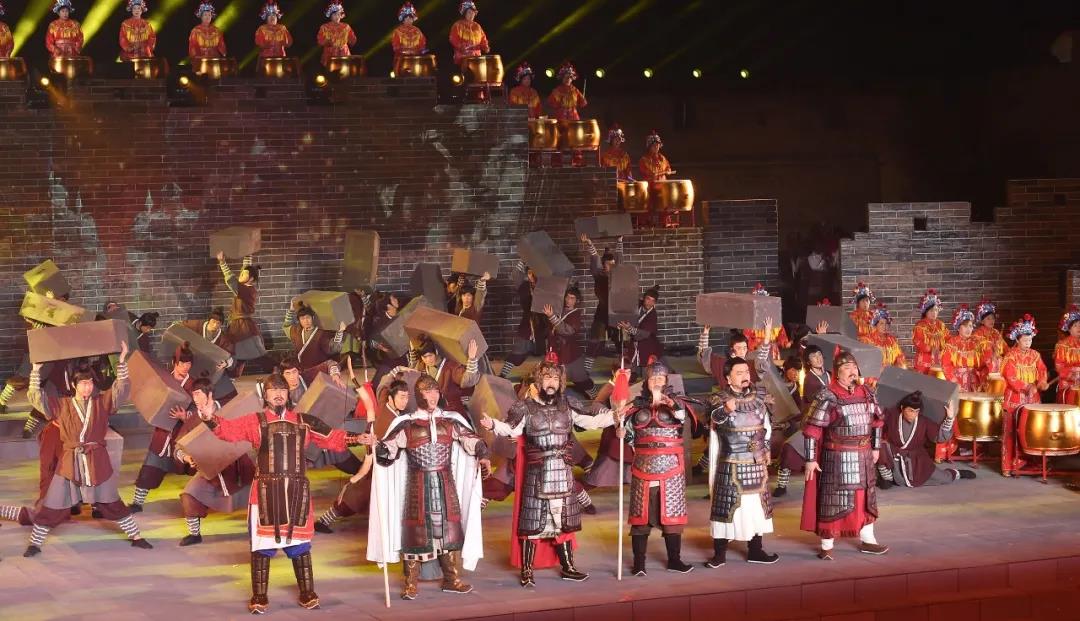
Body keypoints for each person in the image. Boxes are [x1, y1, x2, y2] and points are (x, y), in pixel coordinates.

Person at [204, 373, 363, 613]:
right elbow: (228, 430)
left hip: (296, 493)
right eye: (273, 390)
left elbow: (332, 438)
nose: (278, 394)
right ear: (265, 394)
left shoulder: (303, 421)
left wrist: (359, 438)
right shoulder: (255, 421)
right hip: (265, 494)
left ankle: (307, 593)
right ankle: (259, 596)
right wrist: (209, 418)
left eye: (282, 390)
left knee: (300, 545)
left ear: (288, 394)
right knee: (261, 547)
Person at [481, 354, 624, 587]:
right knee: (532, 521)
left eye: (555, 379)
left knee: (562, 521)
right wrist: (493, 425)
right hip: (537, 473)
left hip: (562, 471)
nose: (551, 383)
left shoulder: (567, 405)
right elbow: (511, 429)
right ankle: (527, 571)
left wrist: (614, 416)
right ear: (539, 381)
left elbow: (590, 421)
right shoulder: (525, 407)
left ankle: (568, 567)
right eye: (547, 378)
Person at [25, 341, 154, 557]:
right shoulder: (62, 405)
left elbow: (121, 390)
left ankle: (136, 537)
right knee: (52, 503)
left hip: (96, 461)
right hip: (70, 462)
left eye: (90, 383)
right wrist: (36, 371)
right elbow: (37, 398)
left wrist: (122, 361)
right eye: (84, 383)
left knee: (111, 501)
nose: (88, 387)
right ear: (74, 385)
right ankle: (34, 544)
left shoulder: (101, 403)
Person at [366, 375, 488, 599]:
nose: (433, 396)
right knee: (415, 534)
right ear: (419, 395)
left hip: (445, 484)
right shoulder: (407, 425)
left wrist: (483, 452)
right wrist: (377, 446)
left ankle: (451, 579)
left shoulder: (450, 422)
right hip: (417, 486)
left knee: (448, 532)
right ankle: (411, 583)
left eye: (435, 391)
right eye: (427, 392)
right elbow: (388, 451)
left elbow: (472, 440)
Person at [801, 348, 888, 560]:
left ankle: (868, 540)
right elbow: (813, 428)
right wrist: (810, 459)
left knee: (865, 500)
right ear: (837, 372)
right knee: (834, 500)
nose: (852, 371)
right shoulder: (827, 395)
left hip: (864, 454)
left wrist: (876, 447)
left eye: (854, 367)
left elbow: (877, 422)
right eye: (847, 367)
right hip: (837, 457)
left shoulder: (867, 393)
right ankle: (827, 545)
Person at [705, 321, 780, 568]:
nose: (745, 375)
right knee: (725, 506)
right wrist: (726, 410)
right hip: (731, 461)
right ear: (728, 378)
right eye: (739, 373)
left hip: (756, 462)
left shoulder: (760, 398)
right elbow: (713, 420)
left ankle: (755, 550)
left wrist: (765, 449)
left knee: (756, 508)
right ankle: (719, 554)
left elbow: (766, 428)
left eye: (746, 371)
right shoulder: (719, 398)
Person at [620, 359, 696, 575]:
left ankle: (674, 560)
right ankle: (639, 564)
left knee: (672, 516)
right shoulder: (636, 406)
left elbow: (683, 418)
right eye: (653, 378)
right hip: (643, 466)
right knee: (640, 517)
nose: (656, 382)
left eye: (660, 378)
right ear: (646, 381)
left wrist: (671, 404)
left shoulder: (677, 403)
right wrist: (622, 432)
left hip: (671, 467)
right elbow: (628, 433)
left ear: (666, 381)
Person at [174, 378, 256, 546]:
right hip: (210, 471)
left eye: (198, 394)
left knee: (258, 497)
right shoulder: (193, 420)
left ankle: (257, 532)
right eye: (193, 395)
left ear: (209, 394)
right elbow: (178, 447)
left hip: (238, 466)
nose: (196, 398)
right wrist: (187, 457)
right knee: (190, 494)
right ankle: (194, 534)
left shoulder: (229, 409)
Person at [129, 343, 198, 512]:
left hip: (183, 434)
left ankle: (199, 502)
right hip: (163, 433)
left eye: (188, 364)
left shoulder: (194, 384)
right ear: (175, 363)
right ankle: (137, 502)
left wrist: (186, 415)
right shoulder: (165, 378)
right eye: (182, 363)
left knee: (197, 469)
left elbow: (200, 410)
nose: (185, 367)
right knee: (150, 466)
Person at [878, 391, 975, 488]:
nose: (913, 415)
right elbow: (877, 420)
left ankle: (956, 473)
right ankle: (887, 478)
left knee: (945, 479)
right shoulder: (892, 415)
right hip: (894, 456)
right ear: (902, 408)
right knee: (881, 445)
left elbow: (939, 437)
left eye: (916, 411)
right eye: (910, 411)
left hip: (916, 460)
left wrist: (949, 418)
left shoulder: (923, 422)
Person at [1001, 315, 1049, 477]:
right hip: (1014, 399)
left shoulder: (1035, 355)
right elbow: (1010, 376)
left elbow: (1042, 370)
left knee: (1032, 430)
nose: (1028, 342)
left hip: (1032, 398)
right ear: (1017, 339)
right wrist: (1026, 386)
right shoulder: (1010, 356)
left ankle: (1032, 462)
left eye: (1030, 339)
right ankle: (1008, 465)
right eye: (1025, 340)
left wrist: (1042, 382)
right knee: (1011, 432)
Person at [581, 234, 624, 377]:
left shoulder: (618, 275)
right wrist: (590, 244)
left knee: (621, 342)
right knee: (595, 341)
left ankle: (624, 369)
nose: (611, 266)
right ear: (604, 265)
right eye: (608, 264)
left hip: (618, 313)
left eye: (612, 264)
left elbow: (619, 261)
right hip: (602, 313)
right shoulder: (599, 276)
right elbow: (595, 260)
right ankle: (585, 371)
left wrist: (619, 242)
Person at [543, 282, 595, 396]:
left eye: (572, 298)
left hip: (570, 353)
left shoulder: (576, 315)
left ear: (576, 301)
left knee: (582, 380)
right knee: (554, 379)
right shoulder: (558, 309)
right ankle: (553, 400)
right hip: (555, 352)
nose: (568, 300)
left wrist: (551, 316)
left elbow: (567, 331)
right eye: (567, 297)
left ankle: (597, 397)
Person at [498, 261, 547, 380]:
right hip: (527, 325)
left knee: (546, 355)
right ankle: (502, 377)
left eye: (534, 272)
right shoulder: (524, 286)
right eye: (529, 272)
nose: (531, 275)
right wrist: (523, 259)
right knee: (516, 353)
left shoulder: (545, 288)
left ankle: (542, 379)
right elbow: (515, 274)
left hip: (543, 325)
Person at [218, 252, 264, 377]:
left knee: (237, 351)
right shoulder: (247, 288)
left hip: (242, 326)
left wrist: (222, 263)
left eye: (244, 274)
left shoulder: (245, 290)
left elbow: (231, 281)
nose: (241, 275)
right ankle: (233, 374)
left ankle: (233, 375)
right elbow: (245, 271)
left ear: (251, 279)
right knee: (241, 352)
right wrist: (247, 254)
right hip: (241, 324)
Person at [619, 285, 663, 378]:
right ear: (644, 299)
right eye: (648, 299)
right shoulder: (637, 305)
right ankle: (632, 373)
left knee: (646, 369)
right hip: (632, 339)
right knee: (629, 360)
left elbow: (644, 333)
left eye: (653, 301)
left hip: (647, 341)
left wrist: (629, 328)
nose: (649, 302)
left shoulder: (652, 315)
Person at [744, 284, 791, 362]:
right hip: (758, 352)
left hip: (773, 352)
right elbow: (746, 340)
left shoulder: (775, 320)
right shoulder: (751, 322)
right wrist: (761, 342)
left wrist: (785, 343)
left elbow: (782, 336)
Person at [860, 303, 907, 370]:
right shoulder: (867, 340)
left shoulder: (891, 340)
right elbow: (864, 361)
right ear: (875, 325)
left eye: (886, 324)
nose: (884, 326)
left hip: (891, 372)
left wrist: (900, 366)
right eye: (881, 323)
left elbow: (899, 356)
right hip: (874, 373)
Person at [912, 289, 947, 375]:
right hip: (924, 362)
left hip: (938, 361)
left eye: (936, 310)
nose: (934, 313)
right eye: (931, 310)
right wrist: (931, 348)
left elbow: (948, 338)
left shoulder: (941, 325)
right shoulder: (920, 325)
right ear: (926, 312)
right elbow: (917, 342)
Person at [317, 1, 356, 68]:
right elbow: (320, 40)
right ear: (330, 15)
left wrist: (350, 41)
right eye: (335, 14)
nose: (337, 16)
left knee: (344, 72)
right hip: (330, 55)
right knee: (331, 72)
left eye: (339, 14)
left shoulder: (346, 27)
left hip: (344, 54)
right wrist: (328, 42)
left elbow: (352, 39)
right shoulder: (324, 27)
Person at [449, 1, 489, 66]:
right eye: (469, 12)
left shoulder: (477, 26)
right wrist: (460, 46)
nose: (472, 15)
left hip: (476, 58)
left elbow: (483, 39)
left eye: (473, 13)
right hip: (462, 58)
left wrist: (485, 46)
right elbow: (453, 39)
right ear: (464, 13)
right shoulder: (457, 25)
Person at [1054, 305, 1080, 403]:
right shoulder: (1062, 345)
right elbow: (1059, 367)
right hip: (1068, 385)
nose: (1079, 327)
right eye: (1075, 325)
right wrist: (1075, 373)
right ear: (1069, 329)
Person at [973, 299, 1006, 372]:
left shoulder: (996, 332)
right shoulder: (977, 334)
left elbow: (1005, 348)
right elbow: (976, 354)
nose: (991, 321)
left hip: (998, 364)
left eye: (993, 318)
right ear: (982, 321)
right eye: (988, 318)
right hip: (984, 366)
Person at [391, 2, 427, 67]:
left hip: (416, 60)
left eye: (410, 18)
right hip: (402, 60)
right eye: (407, 18)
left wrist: (421, 50)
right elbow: (395, 47)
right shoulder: (397, 31)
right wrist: (406, 52)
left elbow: (422, 43)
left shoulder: (417, 31)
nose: (409, 20)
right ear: (403, 20)